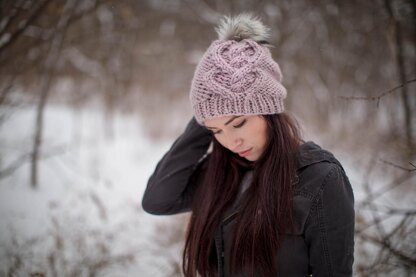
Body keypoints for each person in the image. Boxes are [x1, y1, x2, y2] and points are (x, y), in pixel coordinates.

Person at [142, 14, 355, 277]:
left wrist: (216, 112)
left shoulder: (320, 179)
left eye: (238, 123)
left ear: (269, 112)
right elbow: (157, 201)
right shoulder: (222, 171)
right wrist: (206, 117)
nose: (231, 142)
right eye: (216, 131)